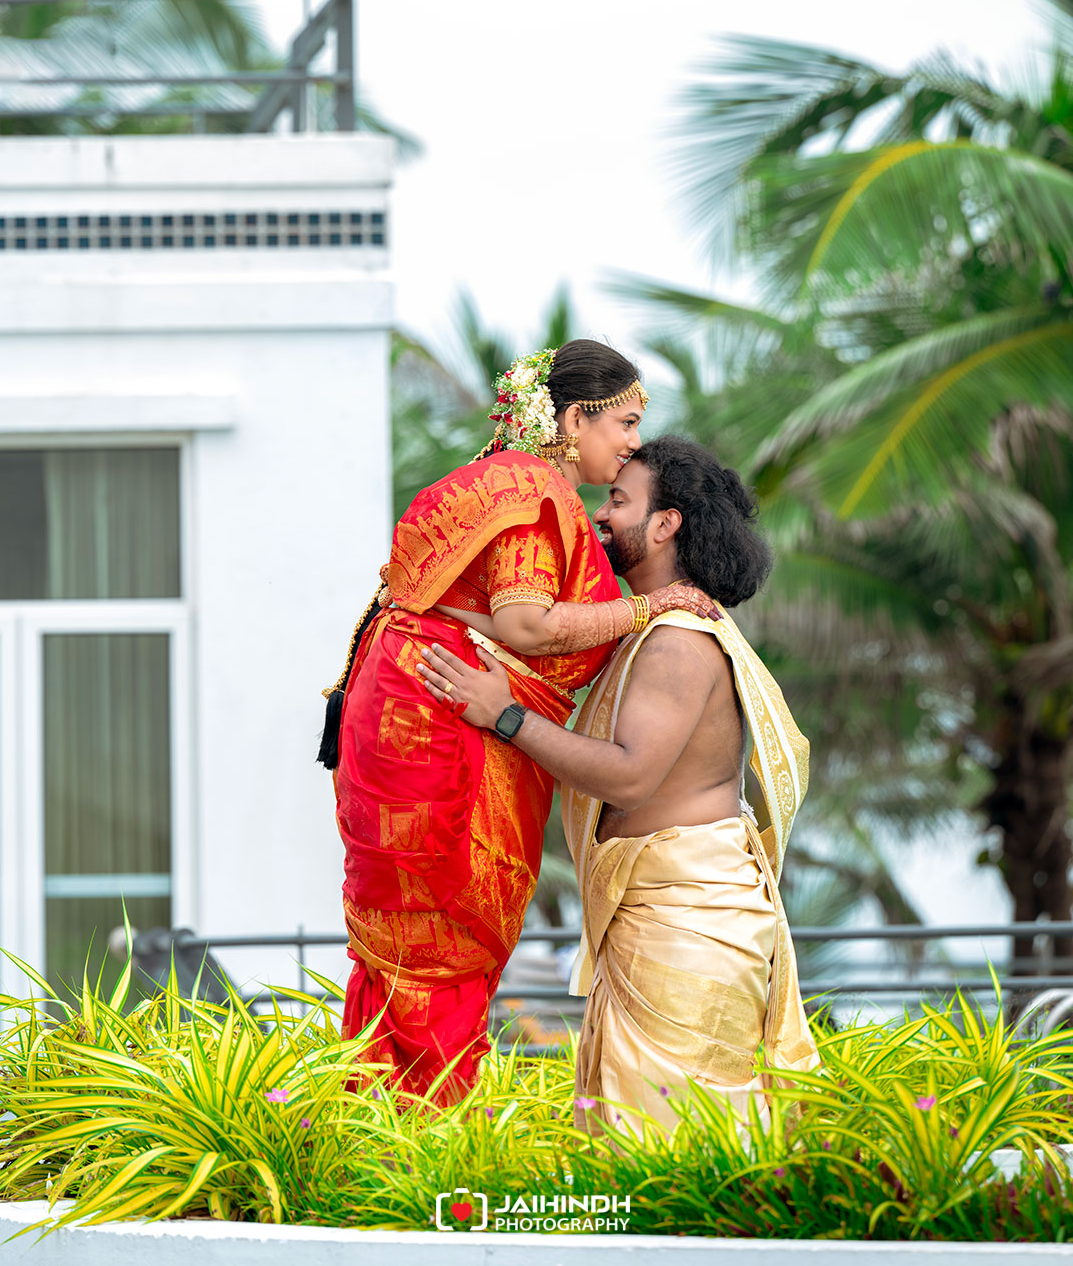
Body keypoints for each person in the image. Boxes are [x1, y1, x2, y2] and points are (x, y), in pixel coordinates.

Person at [322, 346, 715, 1101]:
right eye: (626, 422)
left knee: (409, 944)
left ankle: (374, 1129)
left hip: (409, 706)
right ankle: (424, 1135)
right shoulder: (532, 493)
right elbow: (526, 625)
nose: (633, 442)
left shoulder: (510, 485)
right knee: (442, 935)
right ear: (573, 420)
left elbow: (462, 610)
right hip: (440, 722)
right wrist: (652, 605)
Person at [417, 433, 819, 1132]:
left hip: (687, 926)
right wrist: (431, 602)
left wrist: (504, 716)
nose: (599, 515)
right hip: (656, 919)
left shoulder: (677, 642)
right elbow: (535, 631)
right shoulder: (645, 627)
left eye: (619, 501)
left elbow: (630, 777)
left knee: (674, 1155)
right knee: (637, 1151)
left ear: (665, 525)